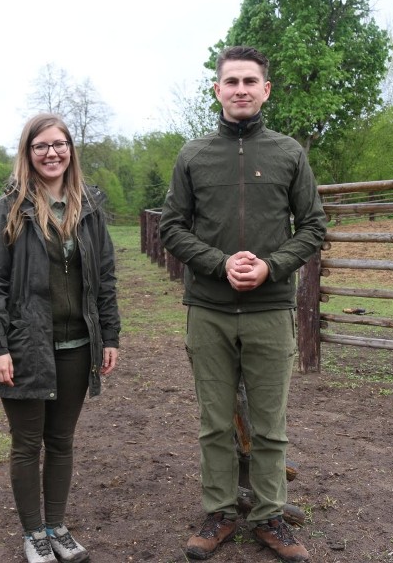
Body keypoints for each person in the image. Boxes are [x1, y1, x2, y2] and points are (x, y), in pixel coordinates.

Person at [159, 46, 327, 563]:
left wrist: (272, 266)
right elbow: (171, 227)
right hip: (208, 308)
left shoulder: (288, 154)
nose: (240, 90)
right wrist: (219, 262)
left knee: (270, 424)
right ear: (217, 90)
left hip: (271, 310)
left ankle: (270, 513)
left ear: (265, 90)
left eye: (250, 82)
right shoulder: (193, 155)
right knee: (214, 422)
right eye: (231, 81)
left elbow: (315, 227)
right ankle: (220, 511)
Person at [0, 113, 120, 563]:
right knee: (27, 443)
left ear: (70, 150)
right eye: (41, 146)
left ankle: (57, 525)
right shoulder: (8, 208)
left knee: (61, 441)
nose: (51, 153)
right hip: (23, 346)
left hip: (77, 345)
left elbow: (105, 277)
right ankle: (33, 533)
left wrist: (109, 336)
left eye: (59, 144)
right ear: (28, 153)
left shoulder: (89, 207)